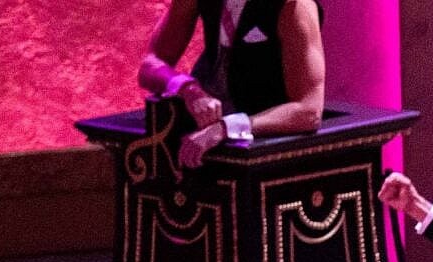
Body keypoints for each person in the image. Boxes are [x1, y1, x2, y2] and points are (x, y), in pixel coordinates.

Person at [138, 0, 327, 172]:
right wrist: (187, 88)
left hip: (262, 149)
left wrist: (226, 127)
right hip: (203, 136)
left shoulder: (294, 6)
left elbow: (309, 111)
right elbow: (150, 66)